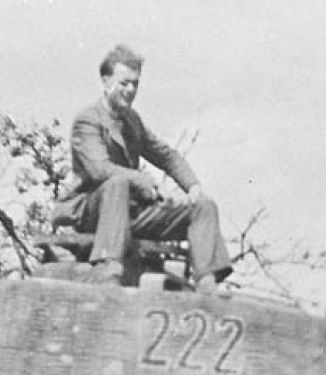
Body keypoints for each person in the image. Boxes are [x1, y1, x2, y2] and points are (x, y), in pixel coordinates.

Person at [53, 45, 233, 291]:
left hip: (132, 214)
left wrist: (193, 187)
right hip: (96, 213)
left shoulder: (132, 121)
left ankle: (207, 284)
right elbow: (99, 170)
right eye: (124, 83)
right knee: (117, 184)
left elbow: (167, 155)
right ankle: (109, 269)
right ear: (106, 81)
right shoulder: (88, 120)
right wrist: (141, 180)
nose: (130, 90)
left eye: (135, 84)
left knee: (203, 206)